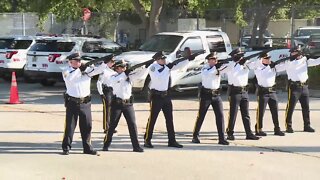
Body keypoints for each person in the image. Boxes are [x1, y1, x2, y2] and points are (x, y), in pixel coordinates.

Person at [144, 51, 192, 148]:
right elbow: (159, 77)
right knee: (152, 119)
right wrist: (168, 68)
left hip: (166, 96)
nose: (164, 60)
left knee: (169, 119)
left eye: (164, 58)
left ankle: (172, 140)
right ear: (157, 60)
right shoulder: (153, 67)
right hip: (156, 96)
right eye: (162, 59)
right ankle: (147, 140)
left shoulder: (166, 67)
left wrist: (188, 59)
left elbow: (178, 65)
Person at [61, 53, 107, 155]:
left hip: (85, 102)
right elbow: (70, 79)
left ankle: (87, 147)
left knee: (87, 126)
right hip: (72, 102)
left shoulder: (86, 70)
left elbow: (98, 70)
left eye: (79, 61)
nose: (78, 62)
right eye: (76, 61)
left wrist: (105, 63)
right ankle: (66, 147)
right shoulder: (66, 71)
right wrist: (80, 69)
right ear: (70, 62)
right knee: (70, 126)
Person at [102, 60, 147, 152]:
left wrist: (145, 67)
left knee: (132, 125)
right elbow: (117, 81)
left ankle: (136, 146)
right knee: (112, 126)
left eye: (125, 67)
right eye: (122, 67)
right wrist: (125, 74)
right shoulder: (113, 77)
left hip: (128, 104)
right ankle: (106, 144)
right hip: (117, 104)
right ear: (117, 68)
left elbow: (140, 75)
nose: (124, 69)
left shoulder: (128, 76)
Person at [279, 47, 320, 133]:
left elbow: (316, 61)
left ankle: (307, 125)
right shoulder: (288, 62)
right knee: (290, 107)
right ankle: (288, 126)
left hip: (304, 87)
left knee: (306, 107)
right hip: (294, 87)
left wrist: (305, 58)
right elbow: (278, 68)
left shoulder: (305, 60)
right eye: (293, 53)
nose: (294, 54)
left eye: (296, 52)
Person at [191, 52, 229, 145]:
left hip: (216, 95)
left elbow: (228, 68)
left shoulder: (217, 67)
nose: (215, 61)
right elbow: (208, 73)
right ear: (209, 60)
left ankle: (221, 138)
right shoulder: (205, 68)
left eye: (216, 60)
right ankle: (195, 135)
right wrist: (216, 67)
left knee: (220, 116)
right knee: (201, 115)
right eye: (213, 60)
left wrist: (233, 61)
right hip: (206, 95)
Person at [223, 48, 259, 140]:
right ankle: (230, 133)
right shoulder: (230, 65)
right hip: (234, 92)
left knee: (246, 114)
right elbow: (228, 71)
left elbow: (255, 65)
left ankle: (249, 133)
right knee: (233, 114)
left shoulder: (246, 63)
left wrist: (260, 58)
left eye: (241, 55)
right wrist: (238, 64)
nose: (241, 57)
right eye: (239, 56)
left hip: (244, 91)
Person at [250, 52, 285, 136]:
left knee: (275, 111)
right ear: (261, 59)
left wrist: (289, 61)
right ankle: (259, 129)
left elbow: (283, 67)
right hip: (263, 92)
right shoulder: (258, 67)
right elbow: (262, 74)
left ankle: (277, 129)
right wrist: (269, 66)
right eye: (266, 58)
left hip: (272, 91)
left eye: (269, 58)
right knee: (261, 112)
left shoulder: (273, 67)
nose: (268, 60)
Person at [97, 55, 117, 134]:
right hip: (106, 91)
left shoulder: (114, 71)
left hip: (113, 91)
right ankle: (106, 127)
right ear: (107, 62)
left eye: (113, 62)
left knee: (113, 110)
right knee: (107, 109)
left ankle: (111, 126)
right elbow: (99, 83)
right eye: (111, 62)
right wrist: (101, 93)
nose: (113, 63)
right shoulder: (103, 71)